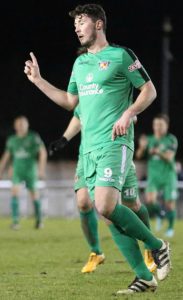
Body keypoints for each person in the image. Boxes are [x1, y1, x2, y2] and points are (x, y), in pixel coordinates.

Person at [24, 3, 171, 294]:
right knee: (107, 213)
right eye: (75, 24)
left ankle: (158, 246)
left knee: (105, 204)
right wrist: (39, 81)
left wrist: (128, 114)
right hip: (88, 148)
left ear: (99, 24)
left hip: (115, 142)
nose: (77, 27)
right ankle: (143, 276)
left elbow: (149, 90)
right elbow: (70, 102)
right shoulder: (80, 63)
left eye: (82, 21)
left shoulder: (120, 55)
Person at [49, 105, 156, 273]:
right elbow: (78, 115)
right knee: (84, 203)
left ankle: (151, 247)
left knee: (131, 204)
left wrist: (127, 117)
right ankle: (96, 252)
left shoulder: (114, 86)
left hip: (114, 152)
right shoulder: (85, 92)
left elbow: (134, 112)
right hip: (87, 157)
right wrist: (64, 138)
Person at [0, 116, 47, 229]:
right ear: (15, 126)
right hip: (17, 170)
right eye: (19, 124)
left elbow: (43, 152)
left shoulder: (33, 137)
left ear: (27, 125)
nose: (21, 126)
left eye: (23, 124)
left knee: (34, 194)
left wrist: (41, 169)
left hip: (31, 170)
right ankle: (16, 222)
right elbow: (6, 156)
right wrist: (1, 170)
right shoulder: (12, 140)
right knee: (14, 193)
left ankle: (39, 220)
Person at [136, 114, 178, 237]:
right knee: (149, 201)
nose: (157, 127)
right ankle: (160, 214)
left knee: (169, 204)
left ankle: (170, 228)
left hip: (168, 175)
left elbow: (169, 157)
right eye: (155, 124)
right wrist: (142, 148)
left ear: (166, 126)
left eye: (160, 125)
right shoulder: (148, 139)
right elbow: (138, 156)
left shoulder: (171, 139)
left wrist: (158, 152)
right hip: (153, 176)